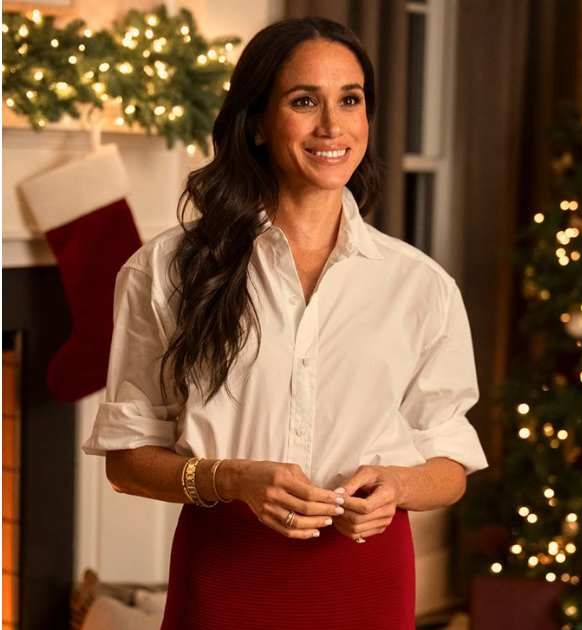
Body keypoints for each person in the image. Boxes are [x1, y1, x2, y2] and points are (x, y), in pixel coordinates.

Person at [81, 17, 487, 630]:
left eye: (350, 100)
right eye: (304, 102)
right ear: (258, 125)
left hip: (365, 579)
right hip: (226, 575)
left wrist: (398, 487)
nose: (332, 127)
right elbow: (126, 461)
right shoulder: (165, 271)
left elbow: (450, 467)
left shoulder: (420, 286)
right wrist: (231, 478)